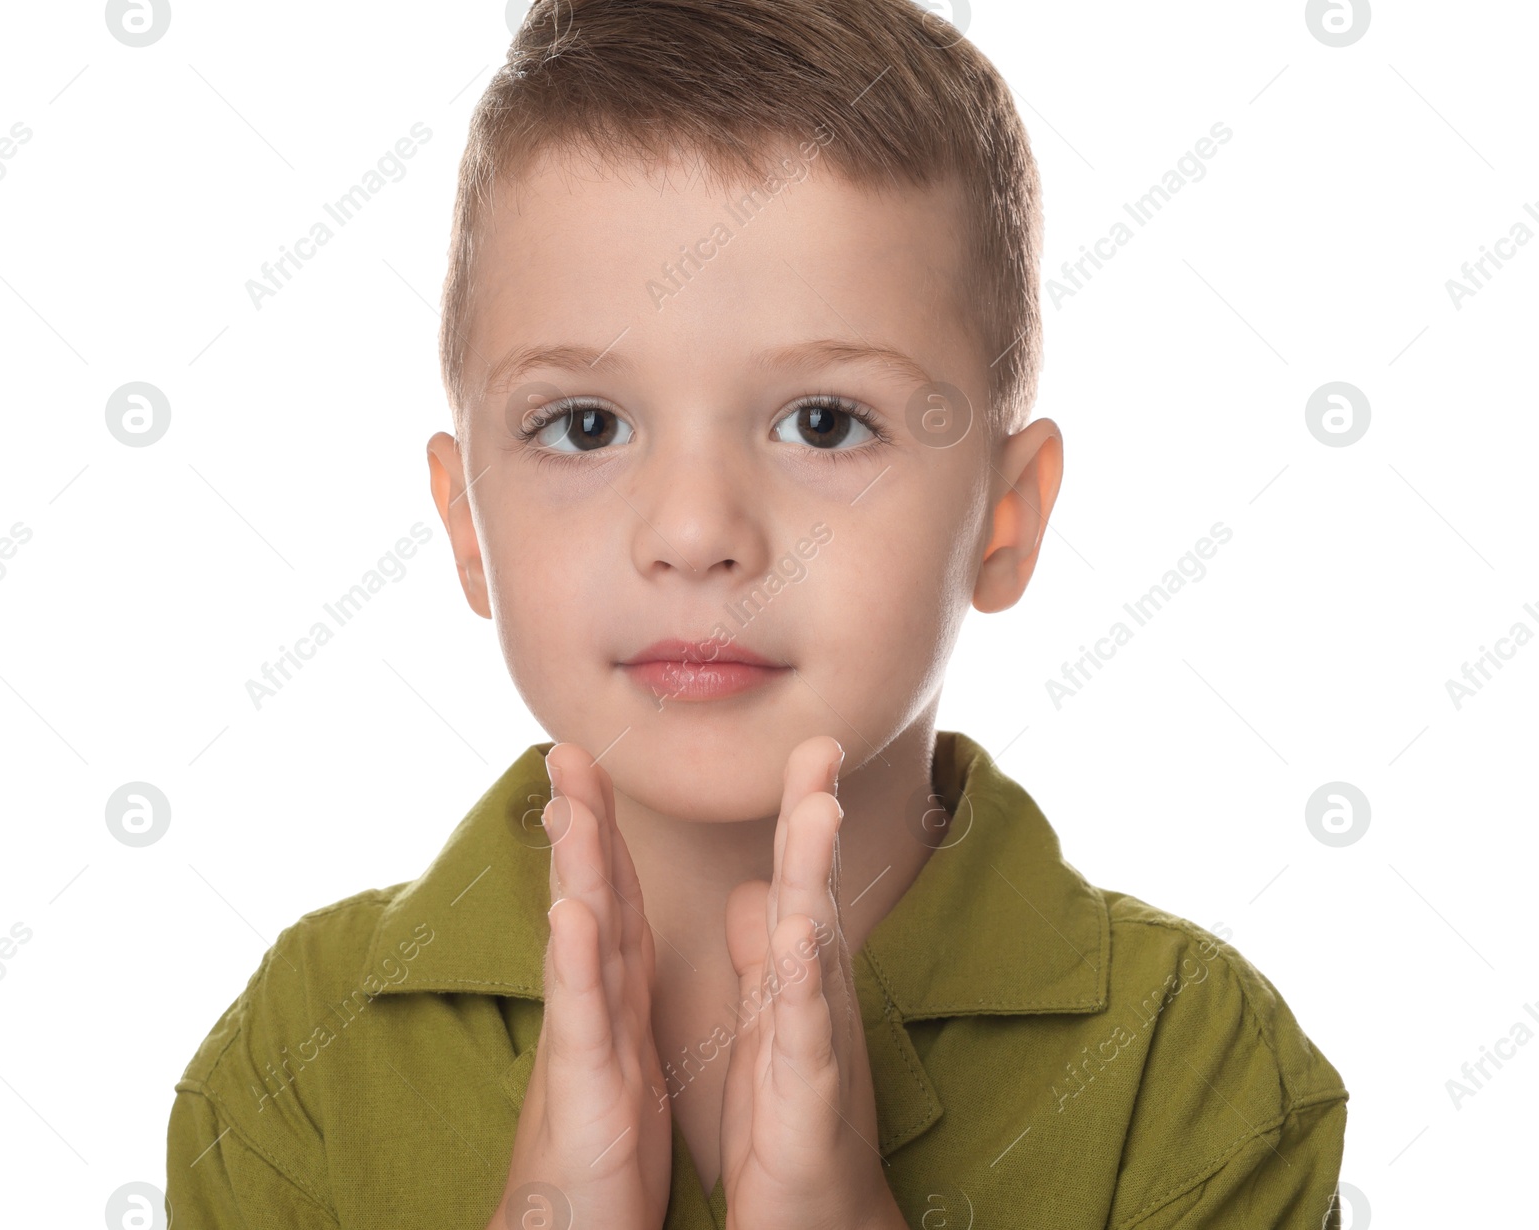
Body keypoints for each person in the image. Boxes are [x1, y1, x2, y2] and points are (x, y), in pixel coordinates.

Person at [166, 1, 1347, 1225]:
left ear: (1008, 516)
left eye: (824, 422)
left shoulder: (1191, 1072)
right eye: (585, 426)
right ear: (466, 522)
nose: (693, 533)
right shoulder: (297, 1063)